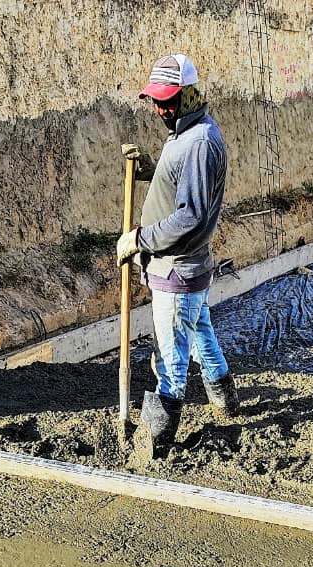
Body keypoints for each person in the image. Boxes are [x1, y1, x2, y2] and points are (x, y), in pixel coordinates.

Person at [117, 52, 238, 457]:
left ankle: (155, 445)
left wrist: (139, 239)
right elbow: (179, 184)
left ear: (189, 93)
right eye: (155, 99)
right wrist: (151, 168)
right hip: (187, 269)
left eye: (167, 100)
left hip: (178, 270)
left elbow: (190, 216)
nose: (159, 107)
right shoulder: (186, 133)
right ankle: (225, 400)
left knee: (171, 362)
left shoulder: (200, 142)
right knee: (202, 333)